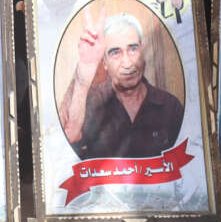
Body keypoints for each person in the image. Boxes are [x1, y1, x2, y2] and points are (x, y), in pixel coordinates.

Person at [59, 12, 183, 159]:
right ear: (104, 61)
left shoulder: (170, 105)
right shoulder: (90, 103)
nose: (127, 63)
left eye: (133, 49)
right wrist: (82, 77)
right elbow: (68, 139)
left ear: (142, 51)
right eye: (115, 53)